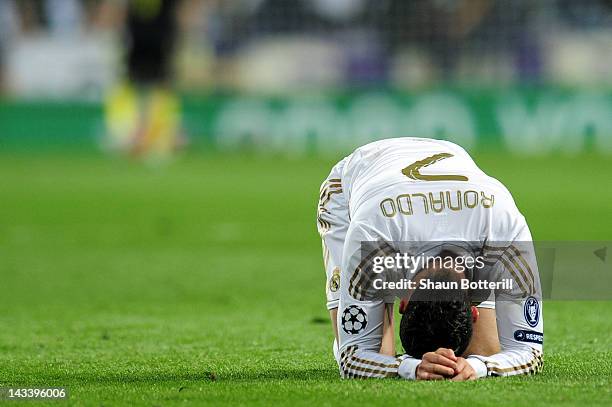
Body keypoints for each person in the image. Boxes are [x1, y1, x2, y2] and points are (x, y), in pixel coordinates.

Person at [317, 137, 543, 380]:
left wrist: (476, 365)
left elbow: (529, 354)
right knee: (381, 353)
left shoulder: (502, 228)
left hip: (432, 176)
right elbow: (349, 359)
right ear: (473, 310)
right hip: (349, 186)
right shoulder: (371, 237)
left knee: (483, 352)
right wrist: (412, 367)